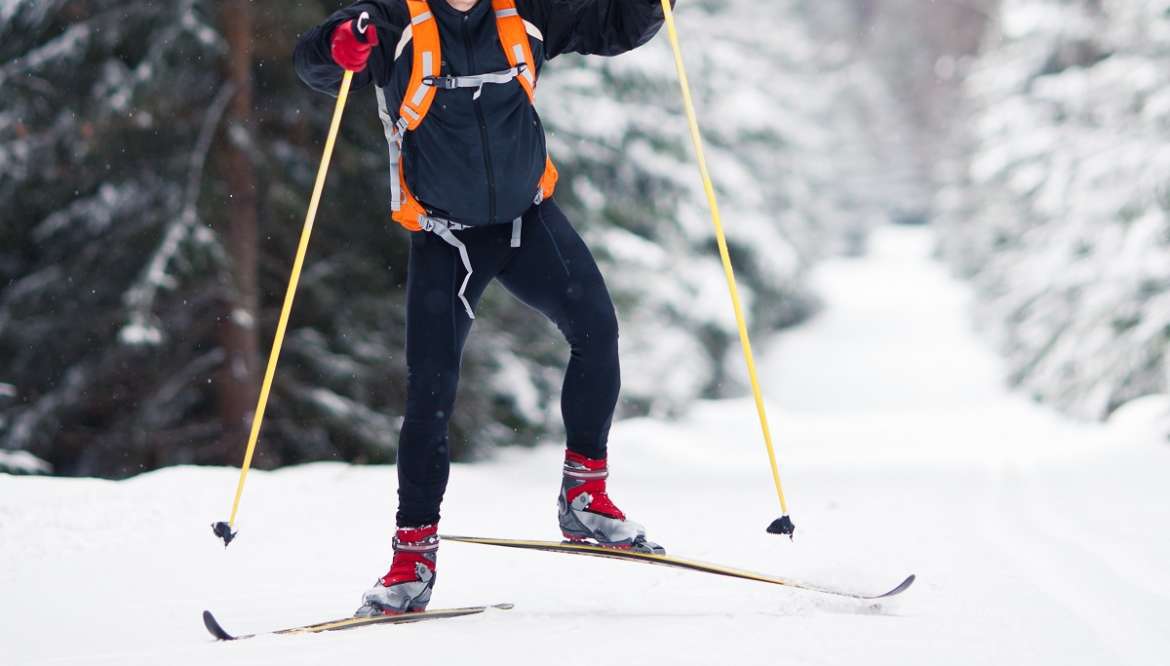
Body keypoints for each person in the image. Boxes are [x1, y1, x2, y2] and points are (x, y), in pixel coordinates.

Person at [294, 0, 673, 617]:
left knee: (597, 331)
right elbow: (315, 64)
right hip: (445, 238)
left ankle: (584, 498)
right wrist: (334, 46)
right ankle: (411, 558)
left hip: (529, 222)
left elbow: (616, 25)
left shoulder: (525, 10)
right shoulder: (389, 19)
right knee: (431, 390)